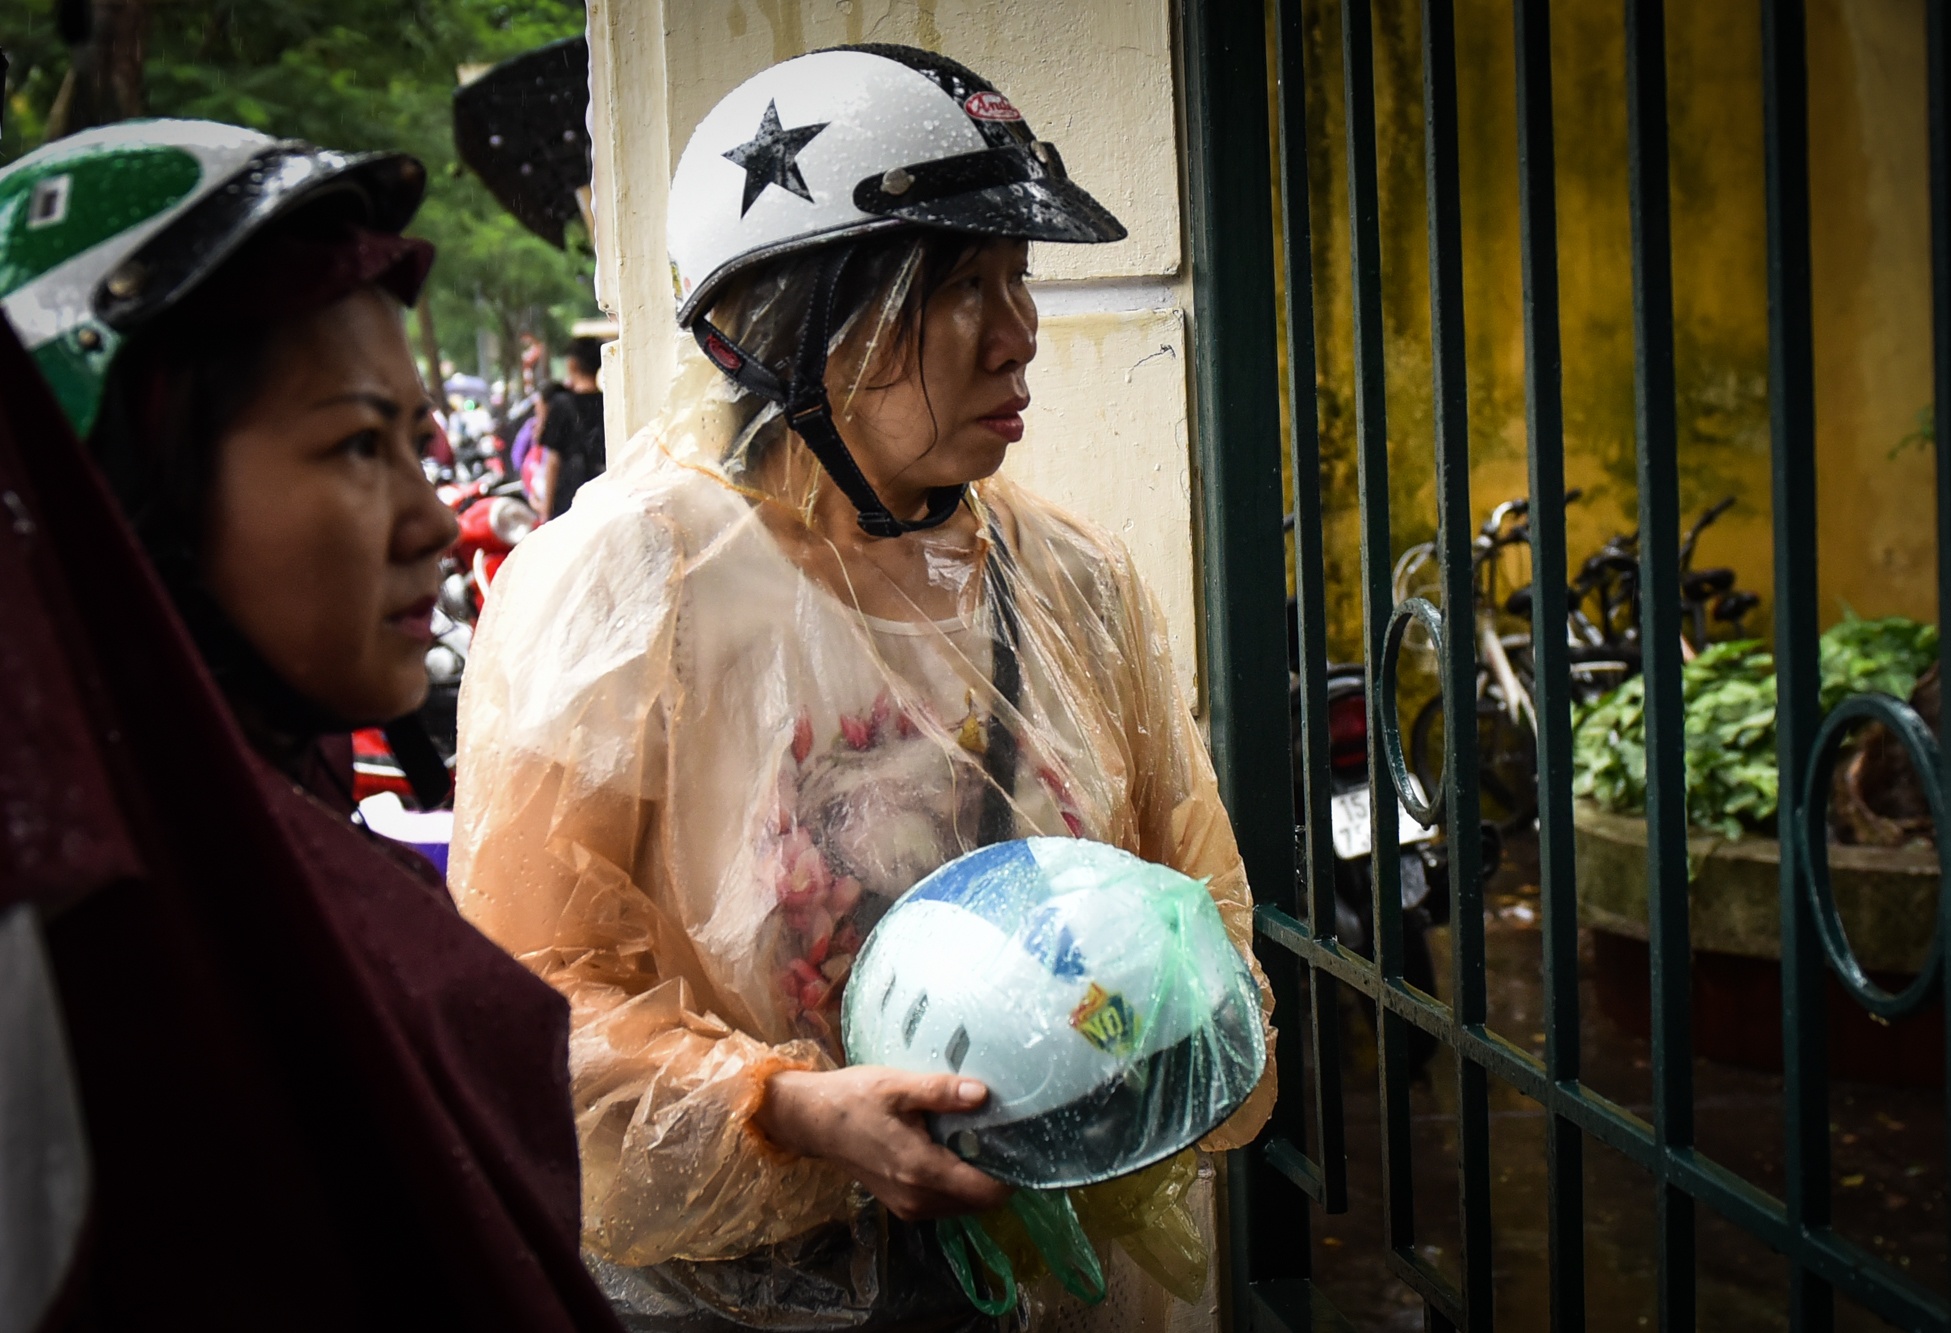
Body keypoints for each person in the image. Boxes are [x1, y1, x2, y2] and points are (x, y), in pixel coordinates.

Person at [448, 46, 1276, 1331]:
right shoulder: (622, 590)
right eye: (959, 286)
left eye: (1019, 277)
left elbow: (1189, 885)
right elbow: (522, 995)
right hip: (734, 1297)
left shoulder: (1068, 579)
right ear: (800, 318)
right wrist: (782, 1110)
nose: (1021, 334)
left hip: (1045, 1280)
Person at [0, 120, 622, 1332]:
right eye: (354, 444)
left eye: (416, 444)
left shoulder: (256, 831)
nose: (433, 524)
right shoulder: (85, 987)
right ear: (128, 494)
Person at [538, 336, 605, 519]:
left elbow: (553, 460)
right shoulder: (609, 401)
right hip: (604, 494)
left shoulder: (561, 404)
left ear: (572, 364)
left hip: (569, 498)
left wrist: (546, 510)